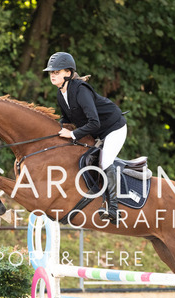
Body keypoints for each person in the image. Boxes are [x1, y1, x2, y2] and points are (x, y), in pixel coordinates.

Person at [43, 51, 127, 223]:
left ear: (68, 73)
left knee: (105, 161)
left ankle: (113, 209)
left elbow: (94, 122)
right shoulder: (61, 93)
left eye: (56, 72)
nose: (52, 75)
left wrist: (73, 134)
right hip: (96, 132)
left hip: (114, 128)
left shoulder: (81, 90)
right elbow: (66, 119)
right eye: (51, 72)